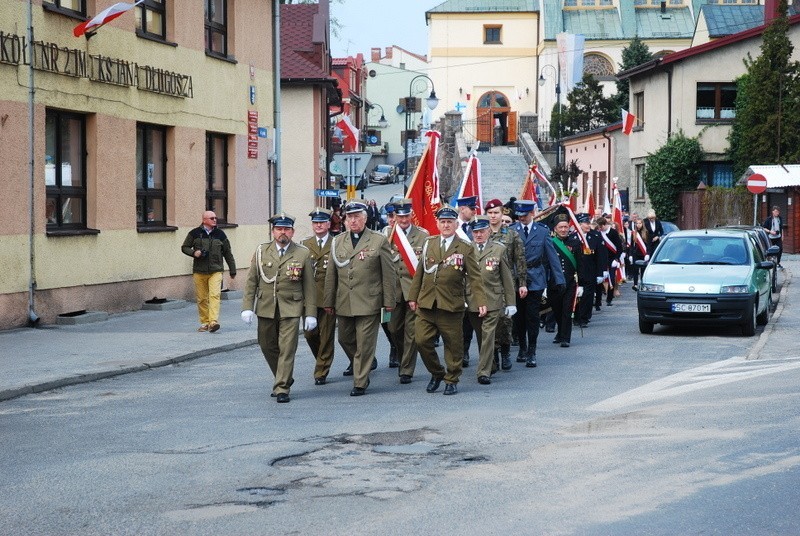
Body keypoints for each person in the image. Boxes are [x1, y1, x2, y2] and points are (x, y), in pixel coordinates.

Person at [408, 206, 487, 395]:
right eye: (442, 222)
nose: (446, 225)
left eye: (449, 222)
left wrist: (481, 301)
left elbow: (475, 277)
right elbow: (420, 272)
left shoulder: (465, 247)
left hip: (451, 304)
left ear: (456, 224)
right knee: (421, 340)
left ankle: (452, 378)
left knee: (453, 344)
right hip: (427, 303)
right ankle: (436, 373)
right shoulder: (429, 243)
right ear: (437, 224)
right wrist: (413, 296)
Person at [241, 213, 316, 403]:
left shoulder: (302, 252)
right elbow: (252, 281)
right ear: (273, 231)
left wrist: (310, 314)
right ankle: (284, 375)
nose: (283, 232)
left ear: (292, 232)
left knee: (287, 348)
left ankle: (282, 387)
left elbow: (309, 286)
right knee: (266, 345)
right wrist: (247, 307)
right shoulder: (261, 251)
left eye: (287, 229)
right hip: (266, 306)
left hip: (291, 307)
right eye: (279, 229)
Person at [324, 201, 396, 396]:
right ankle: (365, 362)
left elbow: (388, 274)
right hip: (344, 301)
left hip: (369, 301)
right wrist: (328, 301)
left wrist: (389, 302)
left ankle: (360, 381)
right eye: (349, 217)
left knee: (365, 343)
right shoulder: (338, 241)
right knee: (344, 338)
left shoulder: (378, 240)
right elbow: (331, 274)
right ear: (345, 220)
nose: (353, 220)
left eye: (357, 216)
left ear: (365, 218)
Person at [510, 200, 565, 367]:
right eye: (519, 216)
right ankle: (522, 347)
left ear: (532, 213)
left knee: (532, 316)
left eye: (525, 216)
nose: (522, 219)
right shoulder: (512, 231)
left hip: (535, 278)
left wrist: (559, 278)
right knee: (518, 316)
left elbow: (552, 256)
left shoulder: (542, 231)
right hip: (516, 279)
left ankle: (532, 351)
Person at [466, 216, 516, 385]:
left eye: (482, 231)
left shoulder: (498, 249)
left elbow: (507, 278)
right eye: (475, 232)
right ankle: (491, 364)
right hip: (472, 299)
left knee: (488, 335)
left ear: (488, 231)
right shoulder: (466, 249)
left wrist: (511, 303)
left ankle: (483, 372)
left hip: (493, 299)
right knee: (481, 336)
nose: (479, 235)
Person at [386, 199, 429, 384]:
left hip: (413, 290)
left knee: (411, 331)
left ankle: (406, 369)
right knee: (393, 328)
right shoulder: (387, 235)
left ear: (411, 215)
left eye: (406, 216)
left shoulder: (422, 236)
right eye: (399, 216)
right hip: (393, 291)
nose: (403, 220)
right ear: (394, 217)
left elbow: (426, 266)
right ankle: (403, 355)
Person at [485, 198, 526, 371]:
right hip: (487, 284)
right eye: (490, 213)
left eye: (496, 213)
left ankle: (506, 352)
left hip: (506, 284)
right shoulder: (482, 233)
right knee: (489, 321)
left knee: (506, 321)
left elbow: (520, 259)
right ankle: (492, 356)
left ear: (503, 214)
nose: (493, 216)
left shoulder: (511, 234)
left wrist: (522, 283)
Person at [181, 210, 237, 333]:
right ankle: (204, 322)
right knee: (201, 298)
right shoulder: (194, 233)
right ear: (204, 220)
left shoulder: (220, 234)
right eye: (211, 218)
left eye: (215, 218)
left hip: (216, 270)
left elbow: (228, 253)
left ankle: (213, 322)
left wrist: (233, 269)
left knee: (214, 295)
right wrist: (194, 253)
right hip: (199, 271)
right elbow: (184, 247)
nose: (215, 220)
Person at [301, 208, 337, 386]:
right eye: (316, 223)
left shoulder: (337, 243)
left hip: (329, 297)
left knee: (327, 335)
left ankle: (321, 370)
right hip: (309, 299)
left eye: (322, 222)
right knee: (309, 334)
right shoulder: (304, 244)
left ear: (329, 224)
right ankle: (321, 358)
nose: (319, 225)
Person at [549, 213, 583, 348]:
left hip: (570, 282)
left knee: (567, 310)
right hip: (554, 283)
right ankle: (560, 331)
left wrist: (582, 284)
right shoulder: (550, 242)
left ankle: (565, 337)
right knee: (557, 309)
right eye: (560, 227)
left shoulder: (575, 242)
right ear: (555, 229)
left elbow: (580, 264)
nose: (563, 230)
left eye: (566, 227)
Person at [576, 213, 607, 327]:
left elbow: (601, 256)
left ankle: (584, 318)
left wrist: (601, 272)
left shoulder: (595, 236)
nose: (588, 225)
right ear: (579, 224)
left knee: (588, 296)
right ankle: (576, 316)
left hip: (590, 271)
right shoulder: (572, 237)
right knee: (577, 294)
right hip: (576, 272)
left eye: (589, 223)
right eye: (586, 223)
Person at [628, 218, 650, 291]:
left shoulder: (646, 232)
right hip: (636, 254)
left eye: (640, 223)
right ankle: (635, 284)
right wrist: (630, 255)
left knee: (643, 270)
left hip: (643, 254)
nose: (638, 225)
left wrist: (647, 254)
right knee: (635, 270)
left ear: (642, 224)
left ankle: (643, 284)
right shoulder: (634, 233)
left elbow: (648, 245)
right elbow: (631, 245)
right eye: (637, 223)